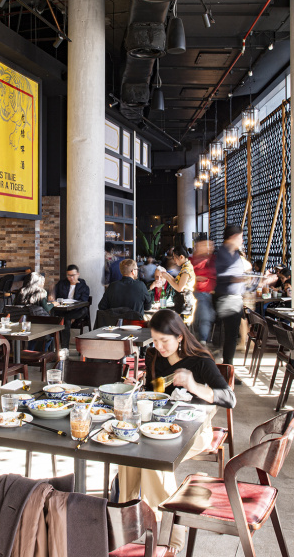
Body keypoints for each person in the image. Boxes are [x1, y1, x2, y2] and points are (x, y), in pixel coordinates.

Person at [117, 309, 236, 551]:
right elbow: (155, 392)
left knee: (151, 456)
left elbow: (229, 398)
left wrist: (194, 385)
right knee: (128, 448)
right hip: (159, 427)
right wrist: (137, 387)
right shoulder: (154, 356)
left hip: (194, 431)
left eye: (164, 341)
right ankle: (127, 512)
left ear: (180, 337)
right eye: (155, 340)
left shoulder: (200, 361)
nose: (159, 347)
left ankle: (171, 525)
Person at [213, 224, 251, 364]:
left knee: (231, 336)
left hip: (234, 298)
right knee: (230, 336)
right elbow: (219, 275)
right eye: (241, 237)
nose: (242, 240)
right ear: (234, 237)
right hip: (226, 299)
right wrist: (237, 278)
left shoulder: (235, 254)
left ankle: (227, 366)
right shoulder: (222, 254)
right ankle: (227, 366)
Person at [50, 265, 90, 349]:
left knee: (84, 310)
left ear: (78, 274)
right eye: (69, 275)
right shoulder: (62, 283)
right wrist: (51, 295)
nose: (71, 278)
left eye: (73, 275)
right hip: (64, 311)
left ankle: (63, 348)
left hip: (77, 311)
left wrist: (73, 315)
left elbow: (84, 302)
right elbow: (54, 293)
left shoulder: (83, 286)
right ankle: (65, 349)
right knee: (66, 321)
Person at [152, 246, 195, 321]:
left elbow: (179, 288)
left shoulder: (186, 270)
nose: (174, 260)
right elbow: (175, 281)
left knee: (182, 325)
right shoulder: (185, 267)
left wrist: (166, 276)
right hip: (182, 302)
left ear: (181, 257)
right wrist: (166, 274)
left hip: (185, 303)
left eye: (174, 257)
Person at [190, 235, 216, 344]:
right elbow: (186, 276)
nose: (208, 247)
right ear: (197, 246)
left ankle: (203, 338)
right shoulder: (191, 260)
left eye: (209, 245)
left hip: (214, 293)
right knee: (205, 314)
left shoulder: (213, 259)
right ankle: (202, 340)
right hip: (199, 293)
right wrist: (196, 278)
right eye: (205, 245)